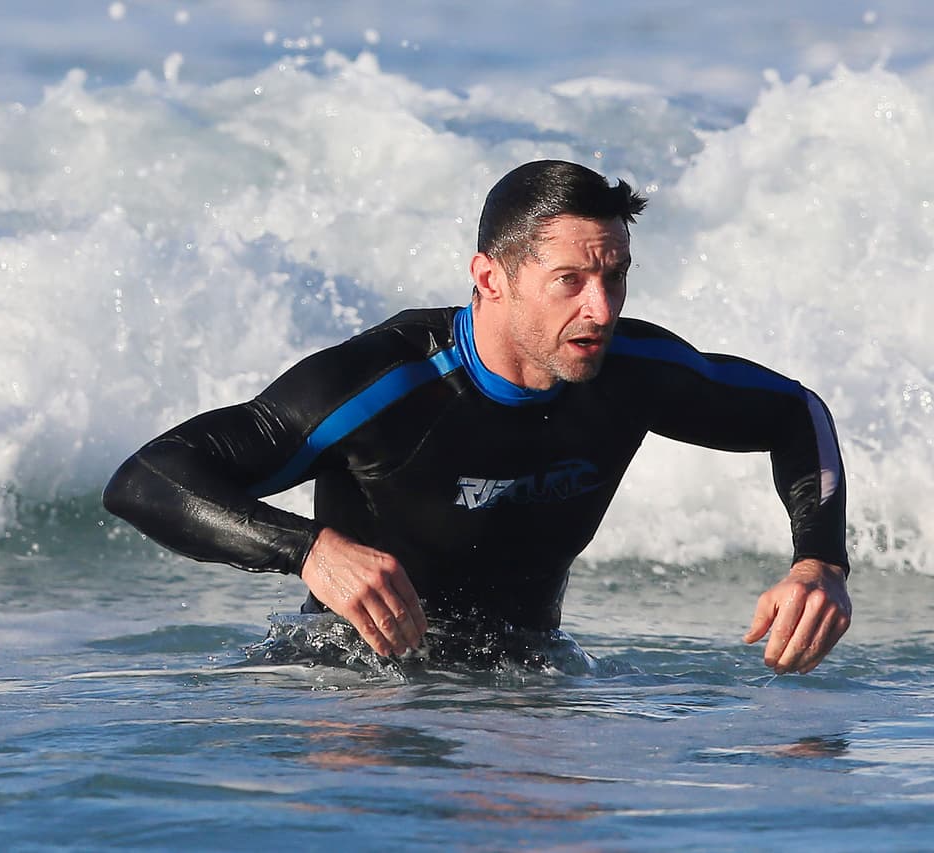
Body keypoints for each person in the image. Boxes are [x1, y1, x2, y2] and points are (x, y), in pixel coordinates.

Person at [103, 160, 851, 674]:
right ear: (490, 278)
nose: (602, 309)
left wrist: (820, 561)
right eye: (570, 281)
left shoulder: (631, 375)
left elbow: (794, 411)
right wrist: (309, 549)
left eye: (614, 277)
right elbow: (148, 478)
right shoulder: (386, 386)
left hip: (528, 674)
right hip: (351, 680)